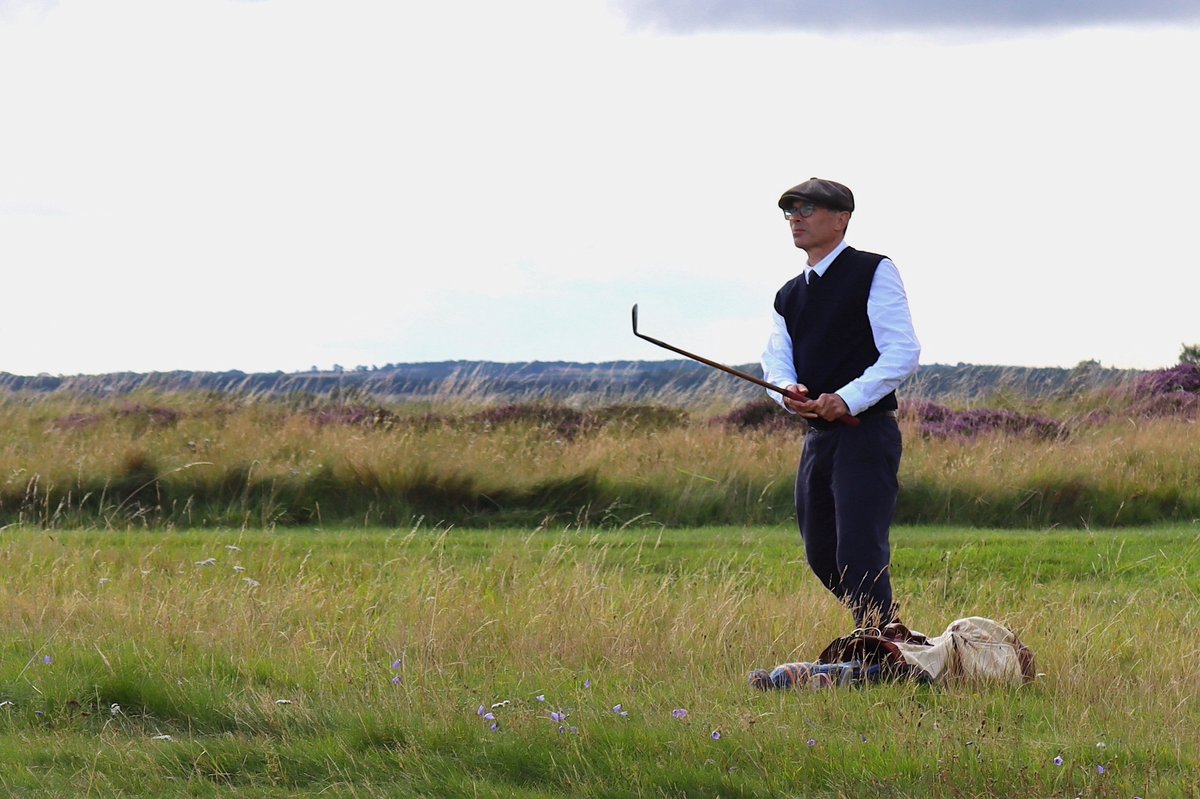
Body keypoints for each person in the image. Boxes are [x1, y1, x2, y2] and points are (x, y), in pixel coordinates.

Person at [761, 177, 920, 630]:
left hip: (866, 434)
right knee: (821, 551)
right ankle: (884, 635)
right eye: (790, 210)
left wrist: (847, 399)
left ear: (841, 217)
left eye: (807, 208)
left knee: (859, 550)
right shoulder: (788, 294)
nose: (796, 217)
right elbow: (775, 361)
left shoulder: (874, 270)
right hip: (818, 440)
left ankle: (879, 647)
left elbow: (902, 351)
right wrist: (789, 394)